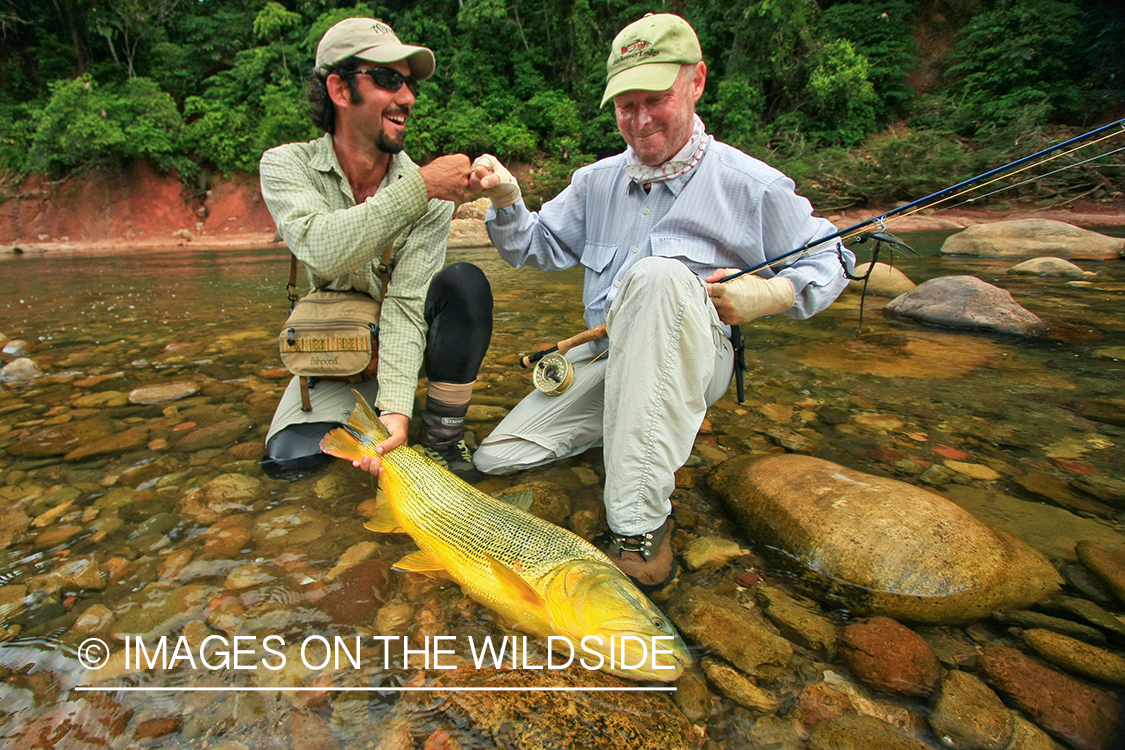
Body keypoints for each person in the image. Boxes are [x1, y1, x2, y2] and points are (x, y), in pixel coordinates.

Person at [468, 13, 853, 589]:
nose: (640, 119)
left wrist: (774, 293)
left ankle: (640, 523)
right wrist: (507, 198)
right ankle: (637, 428)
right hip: (607, 354)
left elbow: (835, 258)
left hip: (700, 359)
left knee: (656, 277)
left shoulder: (752, 185)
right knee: (495, 460)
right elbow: (537, 248)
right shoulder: (594, 182)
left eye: (655, 99)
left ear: (696, 82)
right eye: (626, 105)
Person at [259, 17, 492, 481]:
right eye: (388, 80)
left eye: (408, 84)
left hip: (404, 352)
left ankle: (442, 435)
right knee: (286, 462)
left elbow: (406, 306)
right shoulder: (286, 165)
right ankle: (377, 414)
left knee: (464, 284)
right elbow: (321, 248)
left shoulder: (429, 196)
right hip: (333, 360)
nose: (406, 97)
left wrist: (395, 412)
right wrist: (421, 185)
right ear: (340, 91)